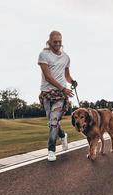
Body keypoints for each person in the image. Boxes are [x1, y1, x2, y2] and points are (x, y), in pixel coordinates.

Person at [38, 30, 78, 162]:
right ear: (49, 42)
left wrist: (71, 81)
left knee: (54, 120)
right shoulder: (44, 55)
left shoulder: (66, 57)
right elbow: (48, 77)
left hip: (60, 94)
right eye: (55, 42)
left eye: (59, 42)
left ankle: (51, 150)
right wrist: (63, 88)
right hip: (47, 93)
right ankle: (63, 135)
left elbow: (66, 75)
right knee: (52, 123)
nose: (57, 44)